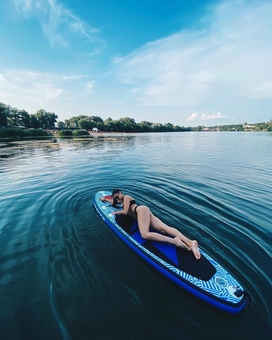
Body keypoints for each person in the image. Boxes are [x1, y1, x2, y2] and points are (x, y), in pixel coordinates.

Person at [102, 189, 201, 260]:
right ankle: (191, 242)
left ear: (120, 192)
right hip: (144, 213)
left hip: (140, 211)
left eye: (117, 196)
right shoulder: (121, 201)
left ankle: (175, 241)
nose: (117, 198)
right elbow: (114, 203)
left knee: (145, 234)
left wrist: (115, 213)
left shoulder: (126, 197)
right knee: (164, 229)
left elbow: (125, 211)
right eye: (115, 198)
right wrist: (105, 200)